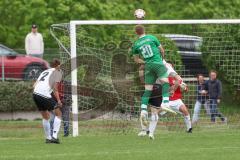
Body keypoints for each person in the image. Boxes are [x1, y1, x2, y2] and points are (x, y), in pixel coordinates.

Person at [131, 25, 176, 131]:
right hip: (158, 63)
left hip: (148, 66)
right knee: (165, 82)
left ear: (136, 33)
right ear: (144, 30)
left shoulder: (136, 44)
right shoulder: (152, 37)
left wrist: (145, 61)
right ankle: (165, 103)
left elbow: (137, 60)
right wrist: (161, 60)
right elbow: (162, 50)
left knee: (147, 90)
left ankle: (143, 110)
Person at [32, 59, 62, 144]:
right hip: (44, 94)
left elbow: (34, 85)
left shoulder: (44, 72)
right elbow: (55, 89)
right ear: (58, 65)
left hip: (35, 93)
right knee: (59, 113)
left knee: (45, 116)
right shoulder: (57, 73)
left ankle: (48, 138)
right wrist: (59, 101)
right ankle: (54, 137)